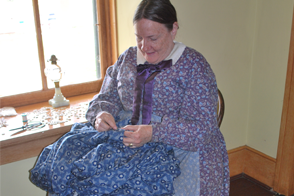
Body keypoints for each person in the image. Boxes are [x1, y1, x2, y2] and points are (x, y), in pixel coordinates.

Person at [30, 0, 229, 195]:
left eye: (153, 38)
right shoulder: (128, 59)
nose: (144, 46)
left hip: (177, 147)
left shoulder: (194, 67)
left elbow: (202, 129)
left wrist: (153, 132)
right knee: (71, 165)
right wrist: (102, 113)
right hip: (125, 139)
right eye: (139, 38)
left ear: (173, 29)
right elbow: (106, 96)